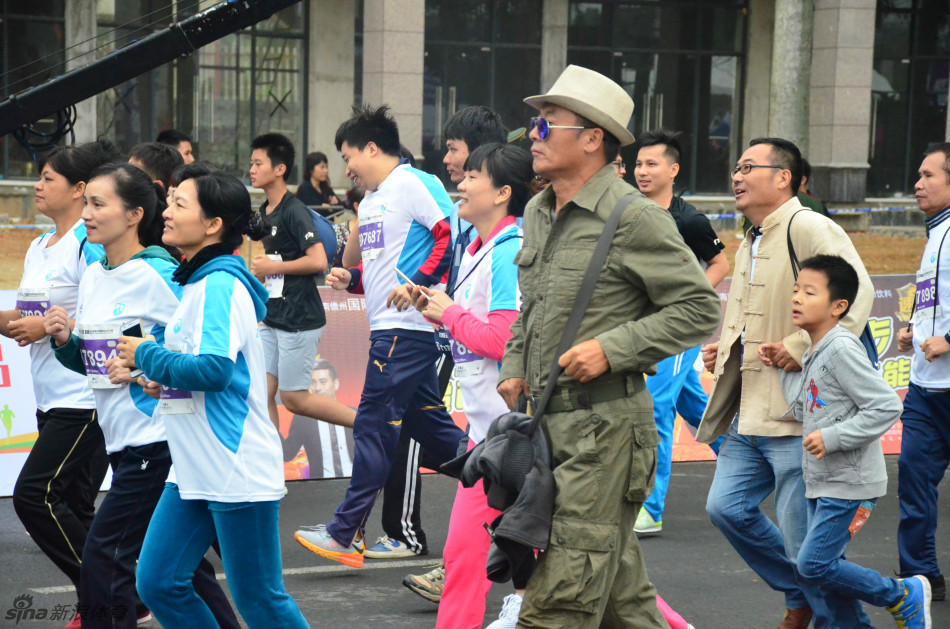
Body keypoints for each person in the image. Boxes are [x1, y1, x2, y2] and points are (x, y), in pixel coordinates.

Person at [496, 64, 720, 628]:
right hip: (548, 425)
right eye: (534, 125)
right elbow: (533, 306)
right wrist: (515, 363)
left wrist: (614, 349)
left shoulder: (635, 217)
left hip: (607, 431)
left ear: (593, 138)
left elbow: (696, 308)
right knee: (623, 601)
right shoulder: (537, 210)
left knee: (559, 602)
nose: (534, 137)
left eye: (548, 125)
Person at [45, 162, 238, 629]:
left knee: (106, 559)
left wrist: (142, 365)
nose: (86, 213)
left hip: (158, 441)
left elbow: (196, 350)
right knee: (181, 570)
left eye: (97, 203)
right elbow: (95, 367)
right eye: (85, 202)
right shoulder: (95, 274)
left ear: (133, 215)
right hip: (121, 440)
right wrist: (65, 341)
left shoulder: (160, 274)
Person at [119, 168, 309, 629]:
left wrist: (147, 352)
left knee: (261, 600)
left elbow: (214, 370)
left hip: (234, 466)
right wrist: (159, 378)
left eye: (179, 204)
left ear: (212, 225)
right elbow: (206, 371)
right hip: (193, 466)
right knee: (159, 583)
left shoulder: (219, 285)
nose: (166, 211)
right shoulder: (198, 282)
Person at [697, 137, 874, 629]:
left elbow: (856, 294)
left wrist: (799, 348)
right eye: (735, 166)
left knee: (806, 547)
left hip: (798, 417)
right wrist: (725, 348)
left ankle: (850, 616)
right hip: (748, 410)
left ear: (782, 178)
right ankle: (799, 592)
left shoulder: (808, 225)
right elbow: (755, 315)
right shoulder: (751, 235)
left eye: (748, 166)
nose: (736, 175)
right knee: (726, 509)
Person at [293, 104, 464, 568]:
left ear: (373, 147)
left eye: (349, 157)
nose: (346, 168)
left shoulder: (413, 183)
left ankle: (344, 531)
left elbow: (449, 235)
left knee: (372, 426)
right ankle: (509, 483)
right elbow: (382, 271)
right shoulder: (370, 201)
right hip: (391, 330)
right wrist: (355, 280)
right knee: (440, 435)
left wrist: (420, 286)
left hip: (403, 332)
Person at [369, 105, 510, 565]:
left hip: (465, 345)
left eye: (454, 152)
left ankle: (407, 532)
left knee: (420, 430)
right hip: (449, 334)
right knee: (451, 440)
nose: (449, 164)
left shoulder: (509, 242)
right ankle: (458, 555)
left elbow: (502, 335)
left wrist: (438, 305)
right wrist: (427, 300)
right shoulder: (468, 217)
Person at [761, 254, 930, 628]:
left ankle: (900, 595)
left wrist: (835, 437)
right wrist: (784, 367)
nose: (797, 299)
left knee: (814, 564)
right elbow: (807, 408)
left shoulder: (840, 347)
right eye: (795, 291)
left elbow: (886, 405)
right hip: (822, 480)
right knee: (819, 569)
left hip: (849, 483)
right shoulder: (815, 348)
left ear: (838, 306)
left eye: (809, 292)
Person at [404, 142, 527, 628]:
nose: (460, 182)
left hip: (521, 439)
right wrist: (440, 311)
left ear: (502, 193)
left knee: (588, 566)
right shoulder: (476, 247)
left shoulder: (509, 250)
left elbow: (501, 338)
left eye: (472, 175)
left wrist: (448, 314)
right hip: (487, 438)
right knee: (461, 557)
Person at [1, 142, 113, 613]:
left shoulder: (87, 247)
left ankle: (107, 596)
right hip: (49, 395)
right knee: (76, 507)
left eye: (48, 178)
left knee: (33, 496)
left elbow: (98, 313)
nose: (38, 186)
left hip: (84, 396)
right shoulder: (37, 245)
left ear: (79, 189)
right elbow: (26, 315)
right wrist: (18, 321)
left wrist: (44, 326)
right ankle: (112, 601)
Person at [631, 129, 729, 536]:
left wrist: (683, 299)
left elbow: (722, 264)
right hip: (638, 326)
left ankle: (650, 509)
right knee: (693, 403)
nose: (641, 171)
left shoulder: (689, 219)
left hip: (674, 329)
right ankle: (748, 458)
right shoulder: (628, 210)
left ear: (673, 170)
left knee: (656, 409)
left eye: (651, 164)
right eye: (638, 163)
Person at [247, 133, 355, 433]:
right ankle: (268, 469)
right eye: (251, 163)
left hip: (299, 318)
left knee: (293, 398)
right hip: (273, 315)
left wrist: (271, 266)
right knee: (261, 392)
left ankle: (366, 423)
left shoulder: (294, 210)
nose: (251, 169)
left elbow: (319, 261)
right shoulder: (264, 211)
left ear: (280, 169)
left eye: (258, 163)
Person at [895, 142, 950, 602]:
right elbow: (935, 299)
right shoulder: (935, 234)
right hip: (924, 388)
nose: (918, 183)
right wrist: (914, 329)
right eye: (918, 174)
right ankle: (920, 580)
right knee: (913, 477)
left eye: (929, 175)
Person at [281, 359, 355, 479]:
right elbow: (287, 454)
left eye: (323, 381)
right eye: (313, 382)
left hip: (357, 484)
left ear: (336, 384)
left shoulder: (354, 414)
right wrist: (270, 421)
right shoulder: (303, 419)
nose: (318, 388)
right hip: (321, 489)